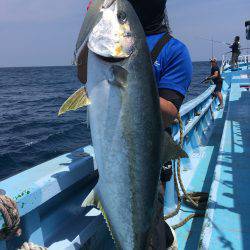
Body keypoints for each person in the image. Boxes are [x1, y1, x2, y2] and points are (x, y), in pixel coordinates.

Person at [128, 0, 192, 249]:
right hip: (115, 147)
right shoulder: (118, 41)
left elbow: (169, 113)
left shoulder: (175, 50)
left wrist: (128, 84)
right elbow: (84, 74)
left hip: (152, 152)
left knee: (149, 221)